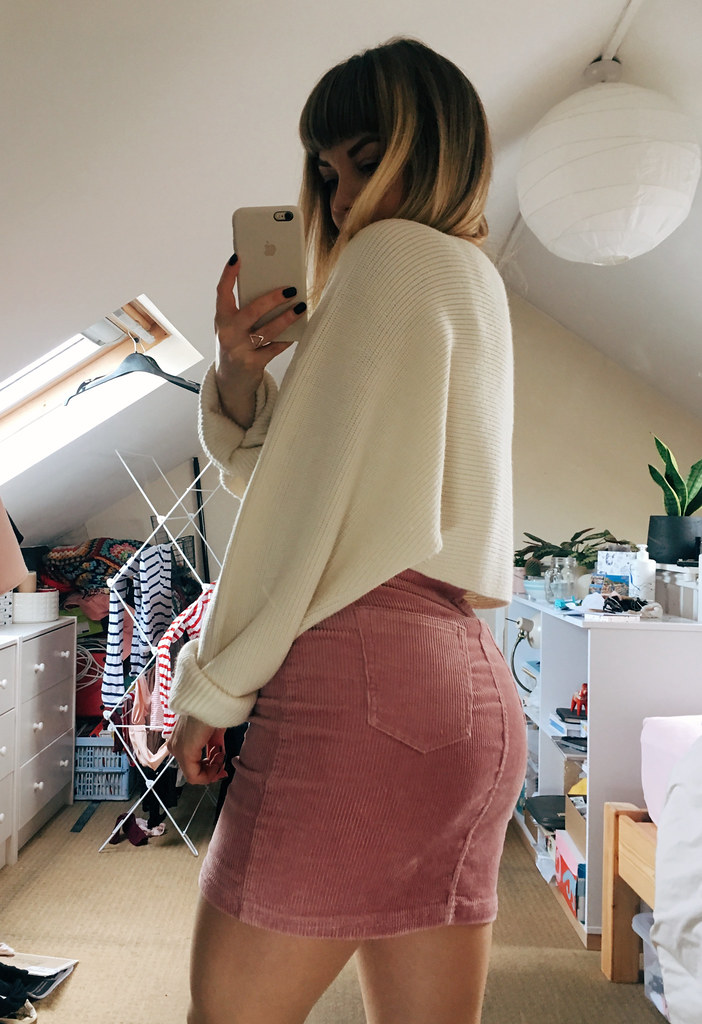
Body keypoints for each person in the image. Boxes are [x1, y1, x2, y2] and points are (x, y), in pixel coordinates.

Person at [167, 36, 527, 1024]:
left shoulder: (387, 257)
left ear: (436, 146)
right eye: (327, 174)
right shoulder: (471, 275)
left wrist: (214, 685)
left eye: (367, 159)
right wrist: (241, 378)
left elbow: (293, 515)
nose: (342, 195)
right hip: (465, 687)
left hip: (362, 682)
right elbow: (322, 480)